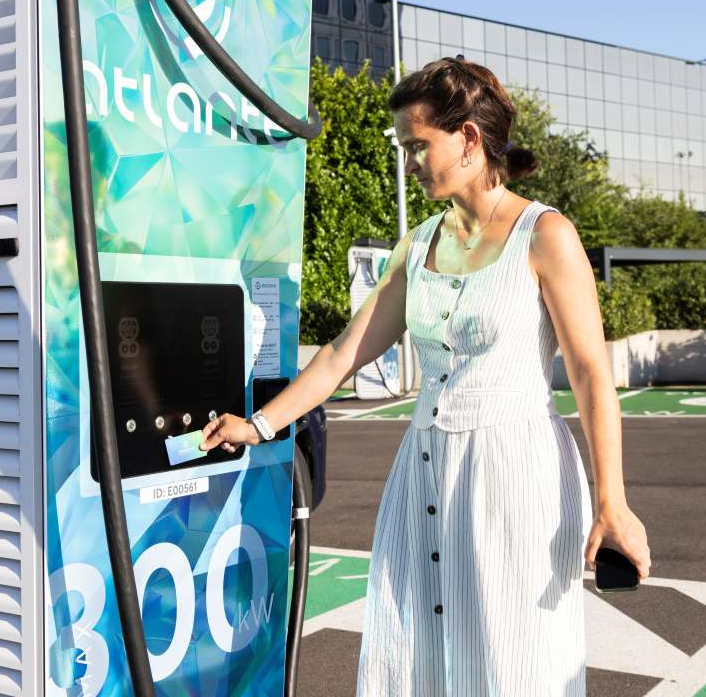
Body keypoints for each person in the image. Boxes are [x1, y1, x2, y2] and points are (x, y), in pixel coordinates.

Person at [200, 57, 651, 694]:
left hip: (515, 476)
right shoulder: (419, 244)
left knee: (516, 661)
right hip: (424, 472)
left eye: (418, 145)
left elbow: (589, 374)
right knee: (416, 653)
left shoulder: (545, 234)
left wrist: (613, 503)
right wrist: (259, 425)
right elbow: (342, 353)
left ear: (468, 139)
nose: (409, 162)